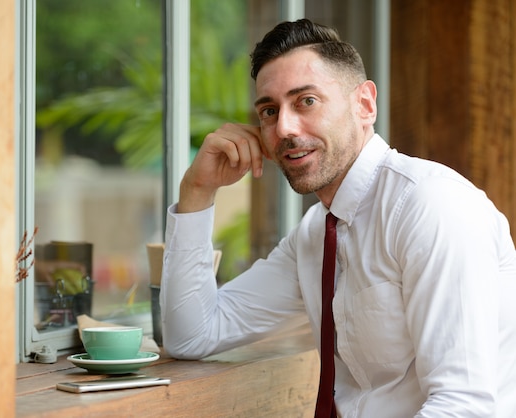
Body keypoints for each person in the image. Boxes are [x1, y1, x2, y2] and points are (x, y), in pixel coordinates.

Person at [159, 18, 516, 417]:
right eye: (269, 111)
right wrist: (196, 191)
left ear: (364, 104)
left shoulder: (431, 205)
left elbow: (465, 407)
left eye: (306, 101)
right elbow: (191, 334)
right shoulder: (315, 235)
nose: (285, 128)